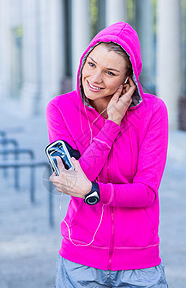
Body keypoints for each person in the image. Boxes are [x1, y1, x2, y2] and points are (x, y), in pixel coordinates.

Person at [46, 22, 168, 287]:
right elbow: (73, 179)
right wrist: (112, 123)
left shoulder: (153, 112)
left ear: (128, 78)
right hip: (79, 261)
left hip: (140, 263)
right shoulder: (61, 108)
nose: (95, 78)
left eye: (110, 72)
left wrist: (92, 191)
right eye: (91, 64)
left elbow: (146, 192)